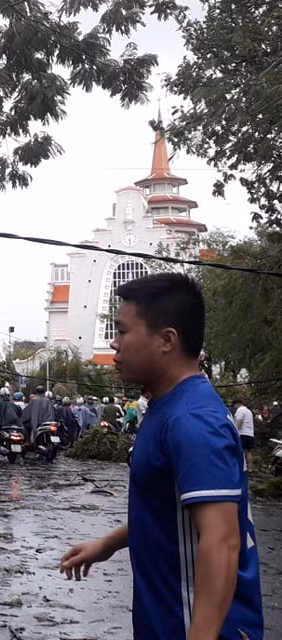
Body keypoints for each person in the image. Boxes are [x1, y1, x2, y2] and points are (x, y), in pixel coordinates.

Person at [60, 273, 262, 640]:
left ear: (167, 340)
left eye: (122, 331)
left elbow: (222, 540)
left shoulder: (193, 421)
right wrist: (106, 545)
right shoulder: (165, 408)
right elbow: (170, 515)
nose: (114, 342)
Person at [233, 399, 256, 472]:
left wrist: (234, 432)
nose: (234, 407)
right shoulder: (248, 411)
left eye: (234, 406)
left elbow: (238, 423)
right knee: (249, 452)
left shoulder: (240, 410)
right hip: (250, 434)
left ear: (237, 404)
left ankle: (241, 467)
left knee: (240, 451)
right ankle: (250, 468)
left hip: (242, 434)